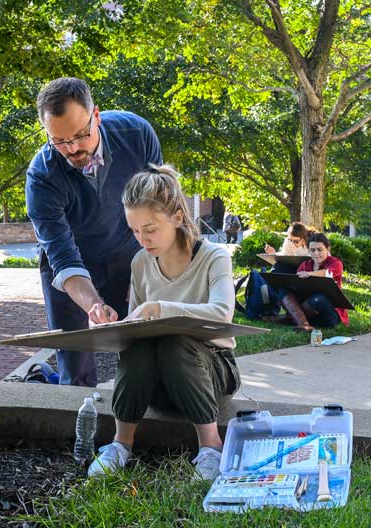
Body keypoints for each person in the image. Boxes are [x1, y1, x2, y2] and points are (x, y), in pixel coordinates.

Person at [87, 164, 240, 480]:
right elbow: (135, 333)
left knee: (175, 342)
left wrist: (159, 308)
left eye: (150, 229)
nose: (142, 239)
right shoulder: (141, 263)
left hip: (212, 373)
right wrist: (111, 324)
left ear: (178, 219)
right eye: (134, 230)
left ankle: (211, 446)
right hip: (158, 382)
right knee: (141, 348)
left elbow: (223, 313)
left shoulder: (215, 256)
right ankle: (120, 444)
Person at [26, 77, 162, 387]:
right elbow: (62, 256)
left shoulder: (137, 134)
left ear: (96, 116)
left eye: (80, 134)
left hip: (129, 251)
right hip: (70, 267)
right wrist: (93, 305)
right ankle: (75, 424)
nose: (72, 148)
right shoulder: (41, 176)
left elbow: (157, 212)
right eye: (59, 140)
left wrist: (148, 273)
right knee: (75, 366)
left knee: (143, 354)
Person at [278, 233, 348, 332]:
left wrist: (308, 274)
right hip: (310, 311)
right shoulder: (305, 265)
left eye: (320, 250)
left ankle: (291, 319)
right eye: (312, 250)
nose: (316, 253)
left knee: (319, 298)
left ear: (327, 249)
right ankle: (304, 324)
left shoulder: (336, 263)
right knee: (283, 290)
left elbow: (327, 273)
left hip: (329, 314)